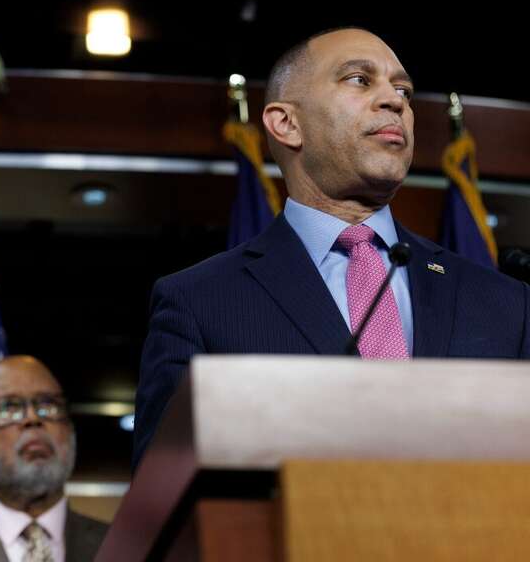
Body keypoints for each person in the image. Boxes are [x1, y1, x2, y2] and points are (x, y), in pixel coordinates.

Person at [133, 28, 530, 471]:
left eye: (403, 90)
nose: (395, 101)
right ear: (287, 123)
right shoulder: (201, 302)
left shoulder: (505, 303)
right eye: (360, 80)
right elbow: (162, 492)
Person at [0, 356, 108, 562]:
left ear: (70, 429)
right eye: (8, 409)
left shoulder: (124, 546)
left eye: (48, 405)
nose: (33, 418)